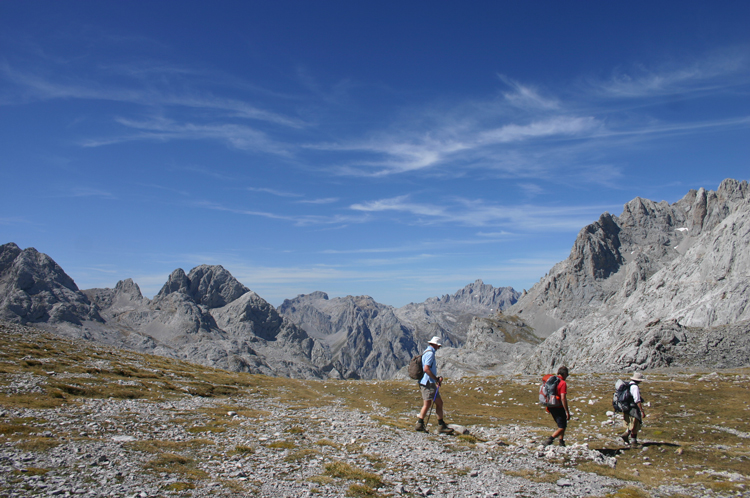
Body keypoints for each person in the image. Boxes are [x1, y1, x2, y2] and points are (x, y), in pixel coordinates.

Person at [415, 336, 453, 434]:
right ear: (435, 345)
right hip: (428, 383)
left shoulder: (426, 352)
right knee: (428, 404)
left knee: (437, 403)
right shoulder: (430, 354)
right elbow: (426, 368)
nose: (438, 348)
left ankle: (438, 424)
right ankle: (422, 424)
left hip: (427, 382)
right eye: (438, 346)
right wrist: (436, 379)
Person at [542, 366, 571, 447]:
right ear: (564, 374)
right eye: (567, 375)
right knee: (562, 427)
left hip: (551, 406)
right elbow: (563, 398)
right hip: (558, 406)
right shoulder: (562, 383)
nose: (567, 376)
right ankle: (549, 440)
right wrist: (567, 411)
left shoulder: (553, 381)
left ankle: (561, 441)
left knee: (562, 424)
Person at [620, 372, 646, 448]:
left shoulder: (628, 384)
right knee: (635, 424)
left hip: (627, 408)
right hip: (633, 408)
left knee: (631, 423)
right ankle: (634, 443)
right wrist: (642, 411)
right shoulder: (635, 387)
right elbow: (637, 400)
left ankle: (626, 435)